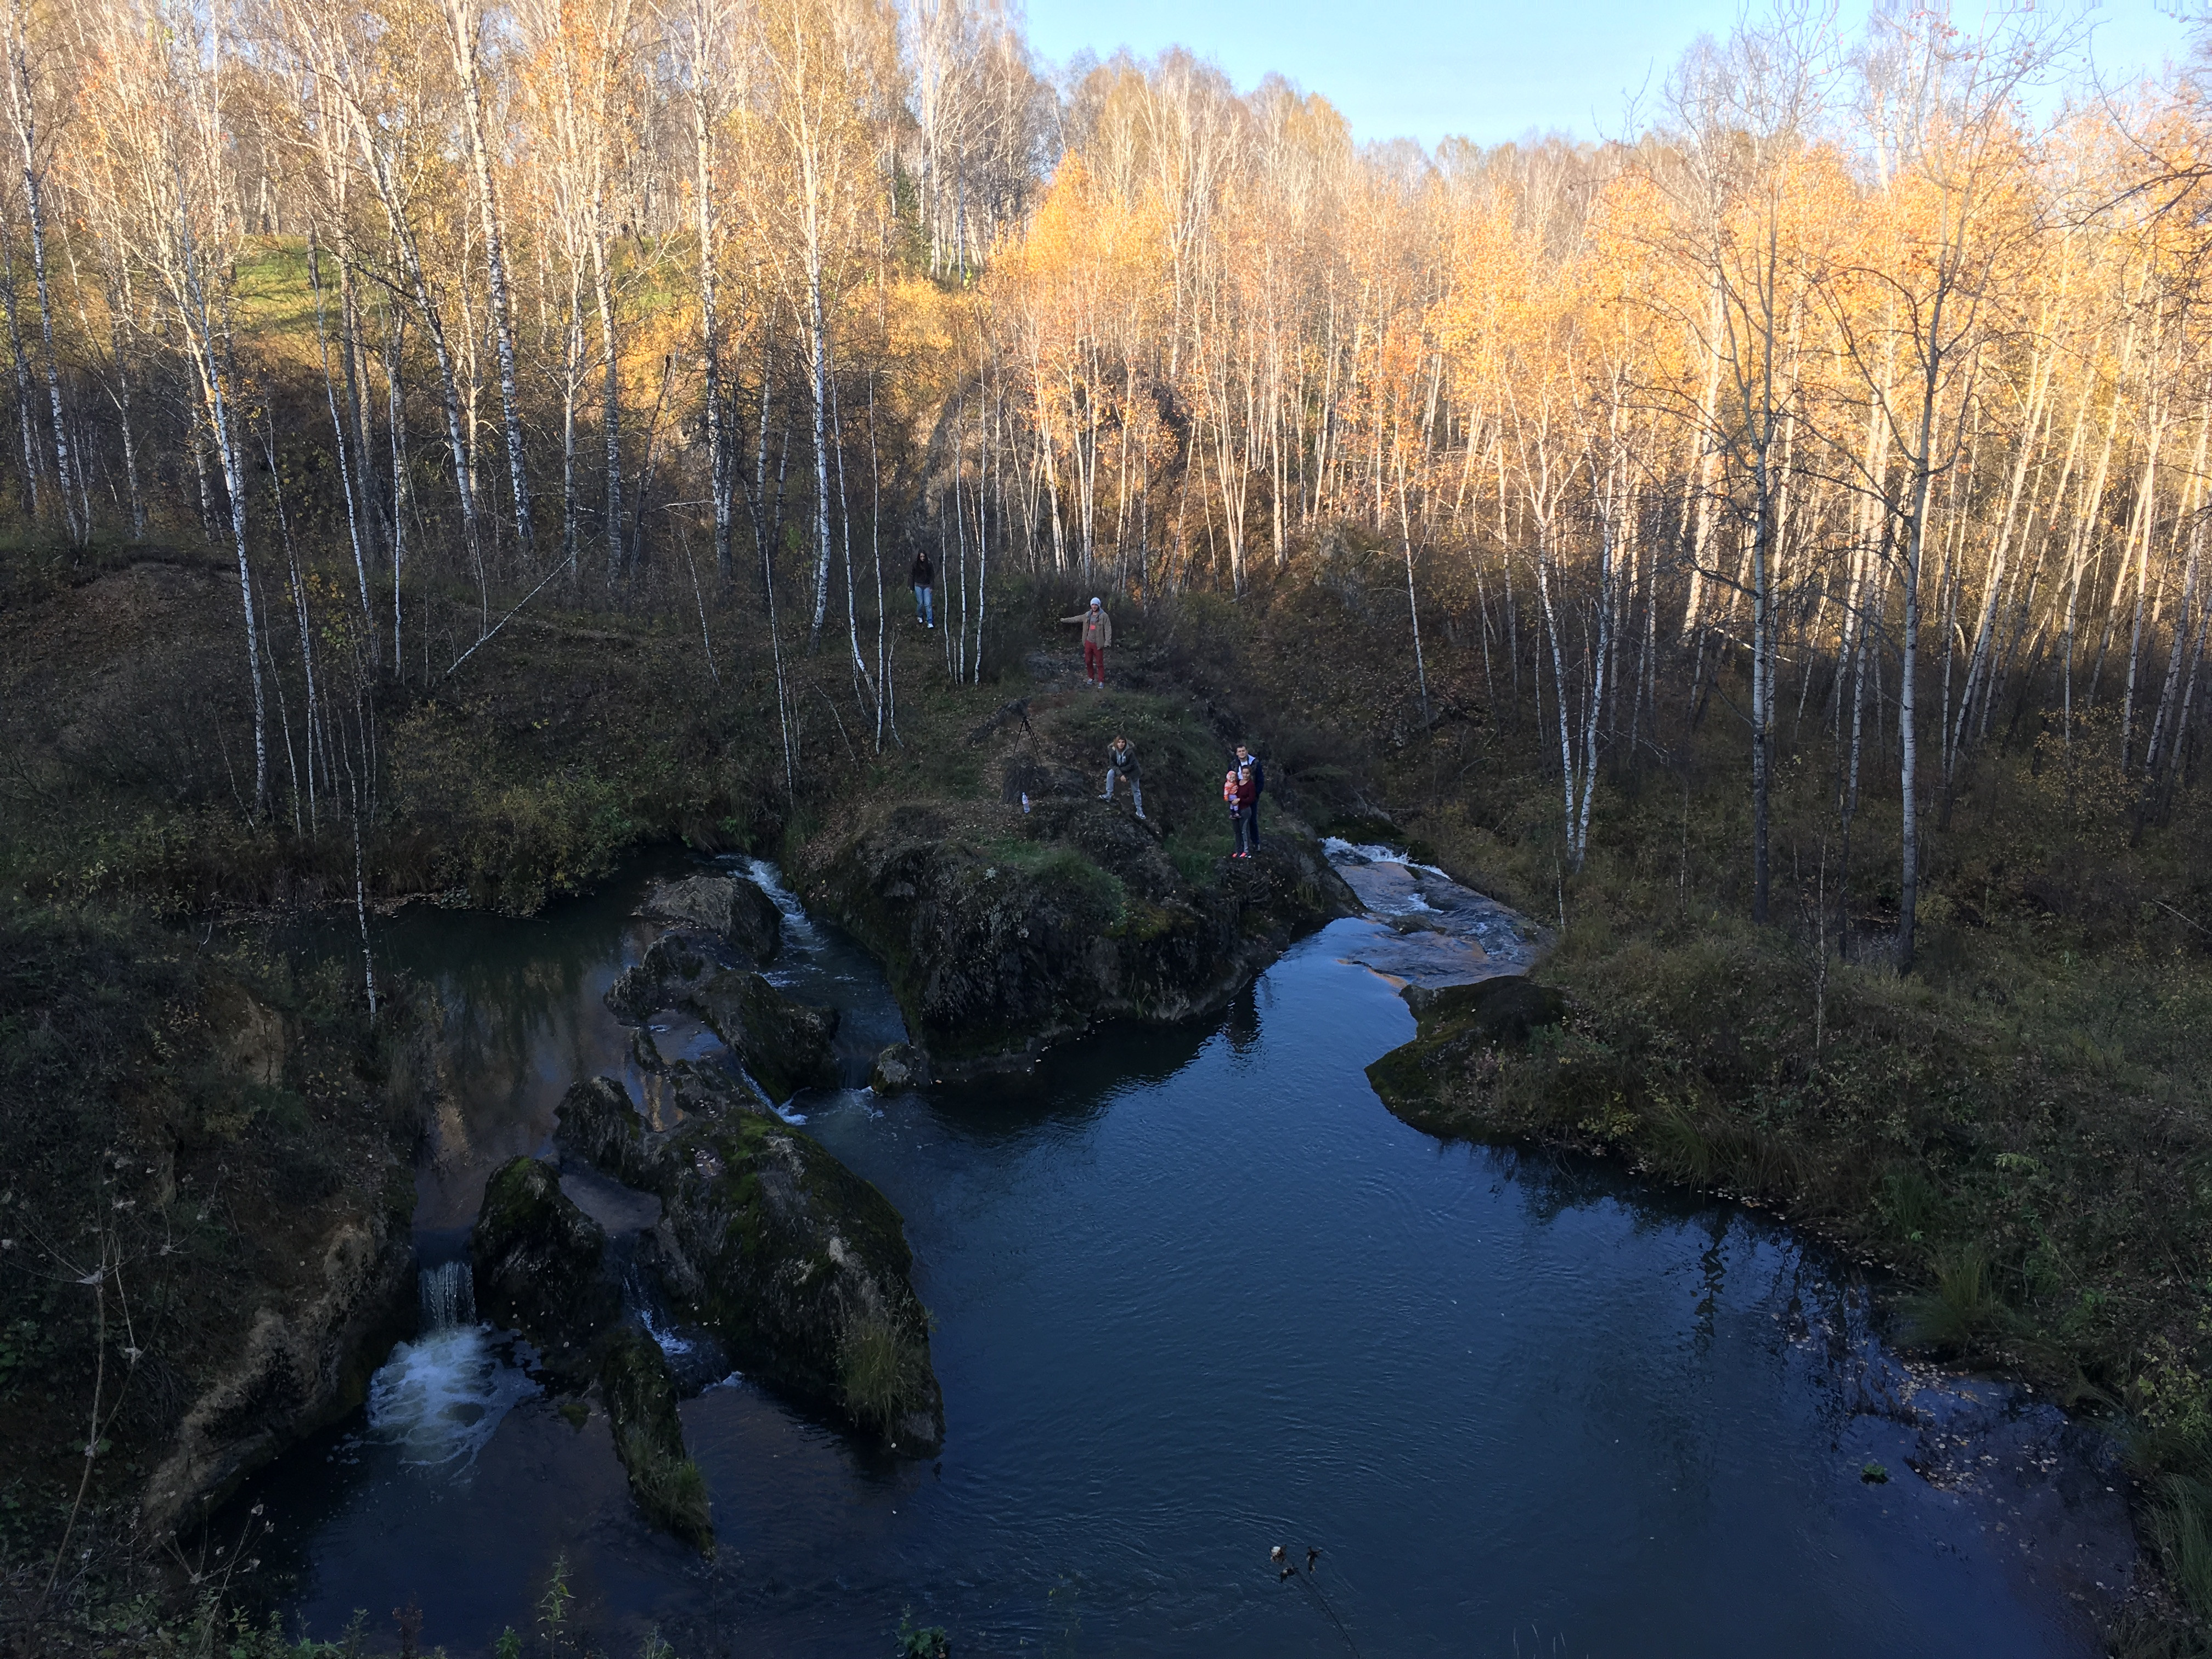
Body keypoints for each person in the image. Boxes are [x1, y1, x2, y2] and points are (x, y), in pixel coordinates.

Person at [1060, 596, 1111, 687]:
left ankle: (1101, 681)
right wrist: (1065, 620)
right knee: (1088, 661)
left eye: (1096, 605)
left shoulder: (1104, 616)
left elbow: (1108, 629)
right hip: (1088, 642)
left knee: (1100, 663)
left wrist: (1108, 641)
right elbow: (1076, 619)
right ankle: (1091, 678)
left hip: (1098, 643)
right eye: (1093, 604)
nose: (1094, 606)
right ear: (1091, 605)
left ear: (1099, 605)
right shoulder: (1087, 615)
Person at [1101, 735, 1144, 820]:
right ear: (1116, 743)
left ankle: (1139, 810)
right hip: (1120, 770)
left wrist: (1125, 776)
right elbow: (1112, 765)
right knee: (1110, 773)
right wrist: (1120, 774)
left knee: (1136, 790)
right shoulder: (1112, 751)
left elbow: (1131, 766)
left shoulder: (1130, 752)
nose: (1121, 744)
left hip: (1133, 772)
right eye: (1119, 742)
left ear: (1125, 743)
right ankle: (1108, 795)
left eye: (1123, 742)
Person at [1234, 743, 1265, 850]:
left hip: (1251, 797)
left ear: (1246, 752)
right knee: (1238, 822)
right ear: (1237, 753)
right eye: (1239, 751)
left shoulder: (1255, 763)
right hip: (1237, 797)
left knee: (1252, 820)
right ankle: (1241, 846)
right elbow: (1229, 777)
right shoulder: (1234, 764)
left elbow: (1260, 780)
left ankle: (1256, 843)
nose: (1242, 753)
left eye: (1243, 751)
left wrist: (1256, 793)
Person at [1232, 762, 1259, 857]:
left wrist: (1240, 800)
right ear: (1241, 773)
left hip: (1245, 810)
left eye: (1247, 773)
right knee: (1237, 831)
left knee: (1244, 831)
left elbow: (1251, 799)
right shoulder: (1238, 783)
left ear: (1250, 774)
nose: (1245, 775)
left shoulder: (1251, 785)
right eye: (1244, 773)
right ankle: (1238, 850)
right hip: (1236, 810)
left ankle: (1246, 851)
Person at [910, 550, 936, 628]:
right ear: (919, 557)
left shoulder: (929, 564)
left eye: (924, 557)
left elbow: (932, 576)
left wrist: (932, 587)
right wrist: (911, 587)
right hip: (918, 585)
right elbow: (912, 576)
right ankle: (920, 616)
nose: (923, 558)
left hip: (927, 586)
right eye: (921, 557)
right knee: (920, 603)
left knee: (928, 604)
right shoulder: (915, 565)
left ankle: (930, 621)